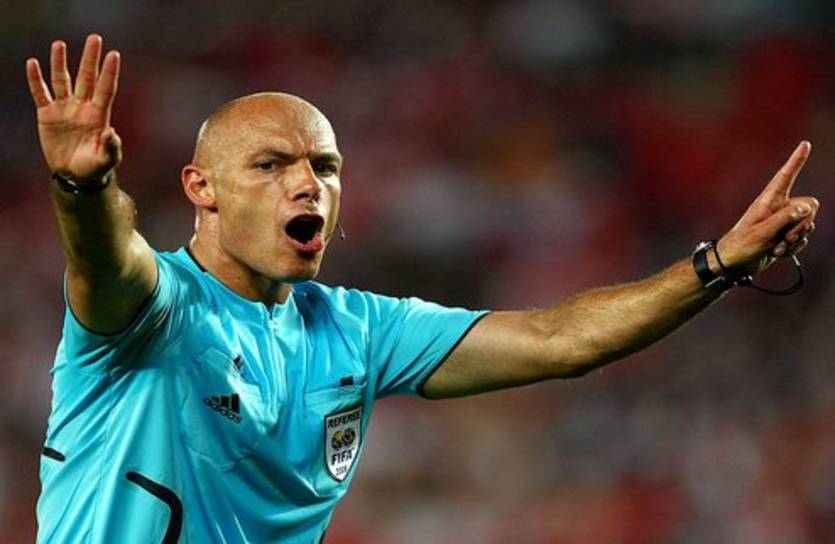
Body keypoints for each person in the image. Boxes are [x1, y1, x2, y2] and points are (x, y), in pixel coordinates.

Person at [26, 34, 819, 543]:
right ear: (202, 188)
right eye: (270, 165)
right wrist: (82, 188)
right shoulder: (156, 311)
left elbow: (561, 341)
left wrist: (718, 264)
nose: (306, 186)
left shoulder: (358, 332)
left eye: (325, 167)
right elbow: (106, 261)